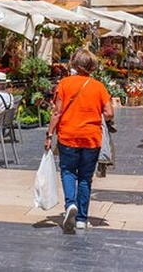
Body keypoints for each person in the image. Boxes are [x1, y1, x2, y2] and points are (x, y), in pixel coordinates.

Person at [44, 48, 114, 234]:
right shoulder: (98, 87)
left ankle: (70, 204)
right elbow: (109, 113)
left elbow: (56, 112)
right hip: (91, 138)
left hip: (68, 135)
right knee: (85, 178)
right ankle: (82, 219)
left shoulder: (65, 84)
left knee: (68, 171)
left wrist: (50, 135)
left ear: (75, 64)